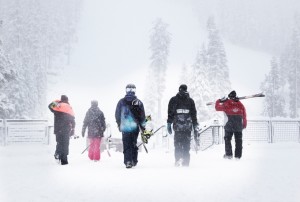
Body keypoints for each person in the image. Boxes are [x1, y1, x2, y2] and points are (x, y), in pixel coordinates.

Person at [167, 84, 199, 167]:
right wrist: (169, 123)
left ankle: (185, 163)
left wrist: (195, 125)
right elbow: (170, 113)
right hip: (179, 128)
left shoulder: (190, 101)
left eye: (184, 90)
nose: (183, 91)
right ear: (179, 90)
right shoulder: (173, 100)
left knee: (185, 146)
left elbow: (193, 114)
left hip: (185, 128)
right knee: (179, 146)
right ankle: (178, 161)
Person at [115, 84, 146, 168]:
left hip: (125, 127)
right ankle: (134, 160)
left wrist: (119, 124)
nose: (130, 91)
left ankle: (128, 161)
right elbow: (142, 116)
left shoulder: (121, 102)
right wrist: (143, 127)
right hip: (135, 127)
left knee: (126, 144)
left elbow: (117, 115)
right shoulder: (138, 102)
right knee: (133, 143)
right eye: (130, 89)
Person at [215, 90, 247, 159]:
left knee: (227, 139)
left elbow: (217, 108)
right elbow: (244, 116)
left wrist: (219, 101)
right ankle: (238, 156)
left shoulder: (226, 103)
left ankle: (229, 155)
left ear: (229, 97)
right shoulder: (241, 105)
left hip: (229, 125)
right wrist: (244, 124)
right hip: (238, 126)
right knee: (238, 140)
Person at [48, 95, 75, 165]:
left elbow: (50, 106)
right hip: (66, 129)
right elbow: (73, 120)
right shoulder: (69, 108)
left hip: (58, 129)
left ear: (61, 99)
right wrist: (73, 129)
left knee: (59, 142)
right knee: (65, 144)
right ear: (67, 100)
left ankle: (58, 154)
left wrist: (57, 101)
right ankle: (64, 160)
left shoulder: (58, 106)